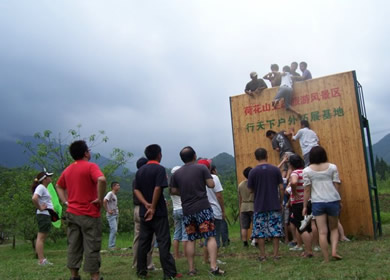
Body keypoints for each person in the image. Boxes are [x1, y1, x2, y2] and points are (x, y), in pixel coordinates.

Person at [170, 146, 225, 276]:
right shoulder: (201, 168)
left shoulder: (176, 174)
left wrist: (183, 191)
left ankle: (191, 269)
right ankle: (213, 267)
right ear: (194, 156)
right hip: (203, 207)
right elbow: (211, 184)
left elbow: (172, 191)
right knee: (210, 236)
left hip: (187, 209)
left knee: (191, 238)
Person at [56, 140, 106, 280]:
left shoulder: (68, 169)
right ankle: (94, 277)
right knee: (92, 246)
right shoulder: (91, 167)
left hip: (72, 212)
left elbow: (58, 186)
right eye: (88, 150)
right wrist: (100, 199)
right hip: (89, 213)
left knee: (74, 244)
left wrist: (65, 201)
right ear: (85, 153)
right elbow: (101, 180)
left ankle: (74, 276)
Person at [133, 144, 180, 279]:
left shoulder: (140, 171)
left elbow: (136, 190)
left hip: (144, 212)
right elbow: (158, 188)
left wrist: (146, 204)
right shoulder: (159, 169)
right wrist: (153, 207)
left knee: (143, 242)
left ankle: (141, 272)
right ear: (159, 154)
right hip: (158, 212)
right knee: (164, 241)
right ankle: (169, 273)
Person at [302, 146, 342, 262]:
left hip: (318, 202)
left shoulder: (307, 171)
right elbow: (337, 185)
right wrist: (339, 200)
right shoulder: (332, 167)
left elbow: (307, 190)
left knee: (322, 232)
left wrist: (305, 206)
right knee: (333, 228)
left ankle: (326, 258)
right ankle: (334, 250)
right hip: (333, 200)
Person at [247, 148, 284, 261]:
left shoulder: (252, 172)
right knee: (275, 231)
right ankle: (276, 255)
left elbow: (250, 190)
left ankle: (263, 256)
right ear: (267, 156)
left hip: (259, 205)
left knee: (260, 232)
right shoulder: (275, 170)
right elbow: (281, 188)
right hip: (274, 204)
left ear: (256, 157)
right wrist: (280, 201)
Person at [198, 160, 226, 264]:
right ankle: (214, 259)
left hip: (202, 211)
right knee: (215, 236)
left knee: (207, 237)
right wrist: (223, 210)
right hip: (214, 210)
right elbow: (219, 195)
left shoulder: (197, 179)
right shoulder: (214, 178)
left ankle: (205, 260)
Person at [132, 157, 156, 270]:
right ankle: (148, 264)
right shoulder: (146, 178)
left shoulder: (136, 178)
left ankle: (136, 263)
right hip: (145, 209)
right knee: (149, 238)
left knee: (137, 237)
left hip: (136, 209)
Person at [287, 154, 313, 258]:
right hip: (309, 201)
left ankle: (308, 251)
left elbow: (294, 182)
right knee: (308, 227)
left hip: (298, 204)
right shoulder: (306, 171)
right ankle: (309, 249)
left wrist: (294, 191)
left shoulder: (295, 172)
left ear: (291, 164)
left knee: (301, 228)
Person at [31, 170, 54, 266]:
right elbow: (34, 198)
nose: (50, 178)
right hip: (43, 214)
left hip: (45, 214)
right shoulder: (41, 187)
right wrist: (40, 207)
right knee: (41, 238)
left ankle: (41, 259)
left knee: (42, 237)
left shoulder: (44, 188)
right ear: (44, 179)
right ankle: (41, 260)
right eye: (48, 176)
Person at [169, 166, 188, 259]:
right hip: (183, 209)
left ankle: (176, 256)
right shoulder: (182, 184)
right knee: (185, 234)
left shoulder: (171, 186)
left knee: (176, 234)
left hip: (175, 210)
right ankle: (186, 255)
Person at [238, 167, 254, 247]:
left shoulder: (240, 185)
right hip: (252, 205)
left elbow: (240, 197)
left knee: (244, 226)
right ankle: (256, 241)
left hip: (243, 206)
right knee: (255, 225)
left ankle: (245, 242)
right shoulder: (254, 184)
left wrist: (240, 207)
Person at [103, 181, 120, 250]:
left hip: (115, 214)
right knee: (114, 229)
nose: (119, 187)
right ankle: (111, 246)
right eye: (117, 185)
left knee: (114, 230)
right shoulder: (110, 193)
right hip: (111, 215)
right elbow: (104, 200)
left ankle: (113, 245)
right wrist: (107, 210)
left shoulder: (115, 195)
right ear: (113, 187)